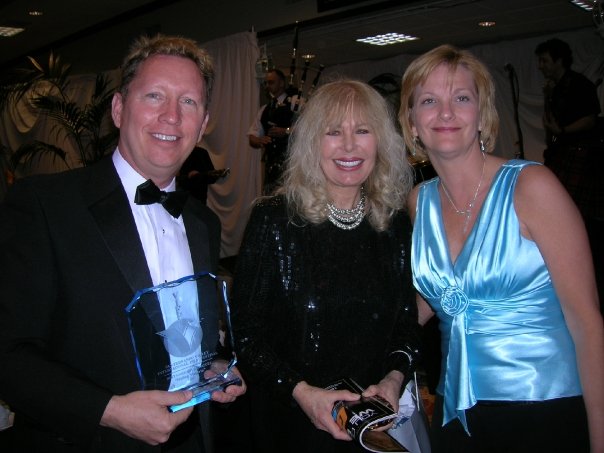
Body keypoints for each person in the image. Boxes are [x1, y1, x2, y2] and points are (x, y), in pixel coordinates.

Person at [0, 34, 245, 452]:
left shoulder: (202, 221)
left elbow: (181, 332)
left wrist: (214, 366)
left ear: (203, 124)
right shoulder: (44, 205)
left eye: (189, 102)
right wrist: (109, 410)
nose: (171, 116)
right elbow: (8, 353)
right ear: (118, 109)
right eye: (154, 96)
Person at [399, 44, 604, 452]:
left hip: (543, 409)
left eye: (461, 98)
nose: (445, 113)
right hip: (456, 410)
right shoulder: (419, 201)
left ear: (482, 113)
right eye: (428, 101)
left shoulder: (532, 187)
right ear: (412, 122)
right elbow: (430, 301)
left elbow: (587, 324)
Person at [232, 79, 422, 453]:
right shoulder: (274, 220)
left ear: (380, 142)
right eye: (333, 132)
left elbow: (406, 322)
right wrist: (301, 392)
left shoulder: (394, 224)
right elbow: (247, 334)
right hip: (291, 423)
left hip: (369, 424)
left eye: (362, 131)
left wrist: (393, 378)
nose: (349, 145)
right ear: (311, 143)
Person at [535, 37, 604, 314]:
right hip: (562, 150)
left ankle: (583, 266)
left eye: (545, 60)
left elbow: (590, 119)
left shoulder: (580, 85)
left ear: (559, 60)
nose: (541, 66)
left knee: (577, 212)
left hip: (582, 153)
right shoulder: (554, 88)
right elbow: (549, 123)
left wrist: (563, 132)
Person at [247, 68, 294, 194]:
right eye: (266, 83)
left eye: (271, 82)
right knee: (270, 196)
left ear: (282, 83)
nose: (267, 86)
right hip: (271, 163)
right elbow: (252, 136)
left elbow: (309, 130)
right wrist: (259, 140)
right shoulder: (265, 109)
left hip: (292, 162)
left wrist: (287, 131)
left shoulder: (296, 103)